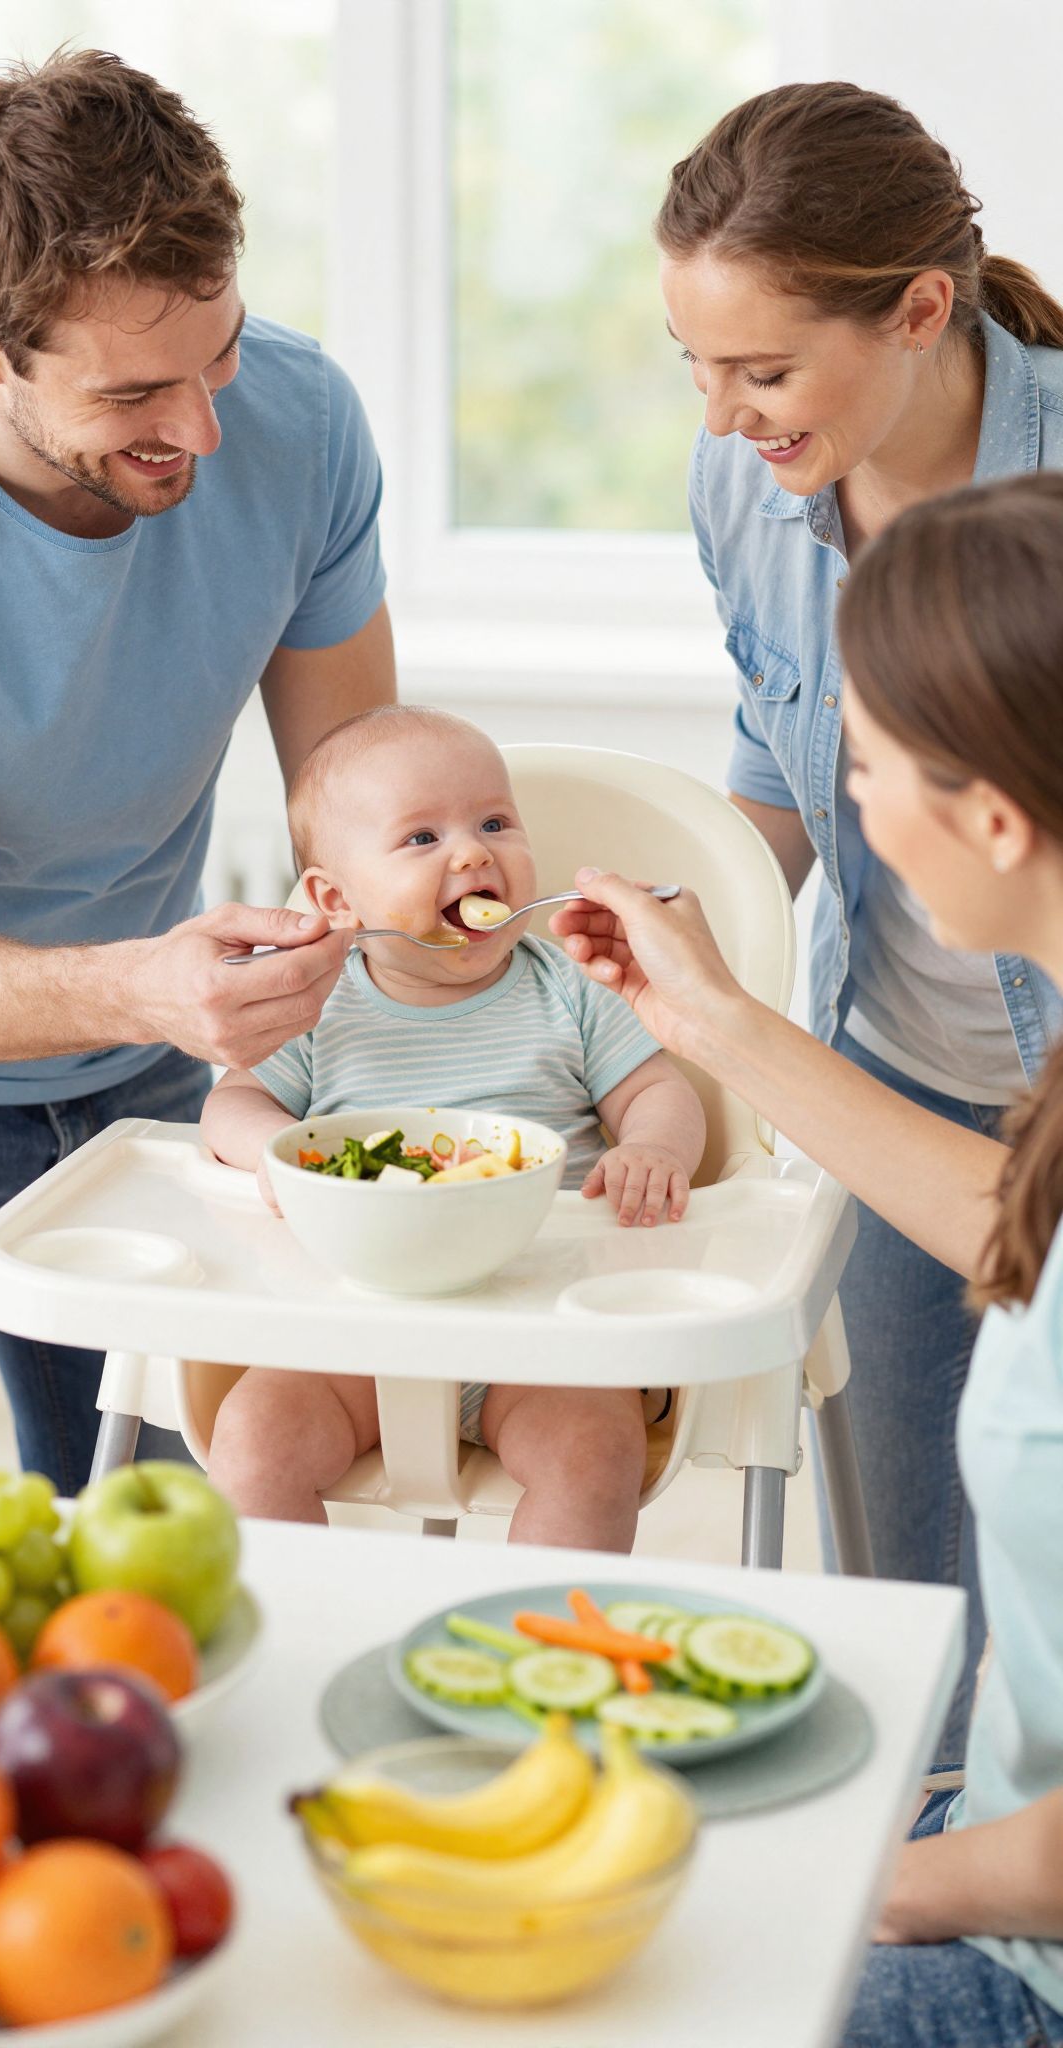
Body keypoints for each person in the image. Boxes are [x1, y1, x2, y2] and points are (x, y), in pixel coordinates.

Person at [551, 471, 1063, 2047]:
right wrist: (710, 1023)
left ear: (988, 814)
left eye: (864, 756)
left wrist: (837, 1872)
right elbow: (1013, 1231)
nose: (838, 789)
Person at [0, 51, 394, 1490]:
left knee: (179, 1574)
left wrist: (449, 902)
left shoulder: (302, 424)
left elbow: (353, 797)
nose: (201, 430)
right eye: (134, 392)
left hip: (164, 1094)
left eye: (220, 351)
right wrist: (145, 986)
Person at [654, 79, 1063, 1753]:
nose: (719, 415)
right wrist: (687, 971)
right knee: (912, 1625)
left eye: (761, 370)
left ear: (916, 310)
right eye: (691, 365)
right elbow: (777, 745)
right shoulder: (754, 496)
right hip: (890, 1077)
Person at [200, 706, 705, 1547]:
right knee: (253, 1439)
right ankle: (296, 1637)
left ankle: (536, 1659)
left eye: (494, 823)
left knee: (594, 1453)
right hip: (358, 1328)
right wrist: (270, 1156)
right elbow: (232, 1103)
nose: (473, 853)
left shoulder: (570, 986)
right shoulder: (315, 1008)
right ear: (335, 899)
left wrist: (654, 1147)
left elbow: (658, 1089)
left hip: (546, 1329)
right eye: (421, 839)